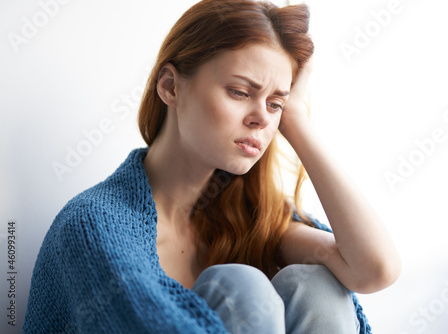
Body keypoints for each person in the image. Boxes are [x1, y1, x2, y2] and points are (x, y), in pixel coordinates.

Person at [24, 0, 401, 333]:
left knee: (316, 286)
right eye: (240, 92)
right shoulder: (92, 225)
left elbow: (374, 268)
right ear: (170, 86)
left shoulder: (249, 218)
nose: (261, 119)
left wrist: (297, 120)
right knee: (243, 289)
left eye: (275, 104)